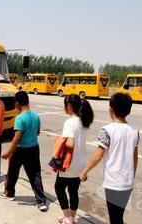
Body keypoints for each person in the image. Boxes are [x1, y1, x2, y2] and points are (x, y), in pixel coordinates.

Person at [80, 93, 139, 224]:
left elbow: (98, 155)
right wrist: (132, 175)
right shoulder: (134, 130)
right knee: (118, 216)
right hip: (127, 181)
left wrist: (84, 172)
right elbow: (135, 157)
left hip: (113, 182)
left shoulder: (107, 129)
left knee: (115, 217)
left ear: (111, 110)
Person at [0, 91, 48, 212]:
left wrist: (9, 152)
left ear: (17, 104)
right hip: (34, 148)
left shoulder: (19, 118)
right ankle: (41, 201)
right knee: (35, 174)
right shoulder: (36, 115)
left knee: (13, 172)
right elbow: (37, 132)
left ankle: (9, 193)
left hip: (21, 149)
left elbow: (17, 137)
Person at [54, 94, 93, 224]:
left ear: (69, 106)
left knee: (59, 188)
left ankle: (68, 218)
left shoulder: (70, 122)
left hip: (69, 164)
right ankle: (72, 217)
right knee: (73, 191)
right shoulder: (83, 121)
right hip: (80, 163)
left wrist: (59, 141)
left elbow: (70, 144)